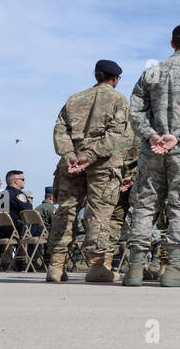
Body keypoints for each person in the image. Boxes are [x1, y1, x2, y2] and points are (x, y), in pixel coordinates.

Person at [123, 23, 180, 287]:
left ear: (172, 43)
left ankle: (134, 268)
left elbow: (136, 110)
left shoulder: (151, 72)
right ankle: (175, 267)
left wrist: (151, 134)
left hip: (151, 149)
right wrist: (177, 135)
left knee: (144, 205)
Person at [46, 59, 130, 283]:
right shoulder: (118, 100)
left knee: (66, 211)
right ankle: (98, 266)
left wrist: (69, 155)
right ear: (115, 79)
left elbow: (59, 130)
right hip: (102, 164)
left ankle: (56, 266)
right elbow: (114, 135)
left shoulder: (74, 99)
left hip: (71, 164)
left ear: (96, 76)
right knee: (100, 214)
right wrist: (90, 156)